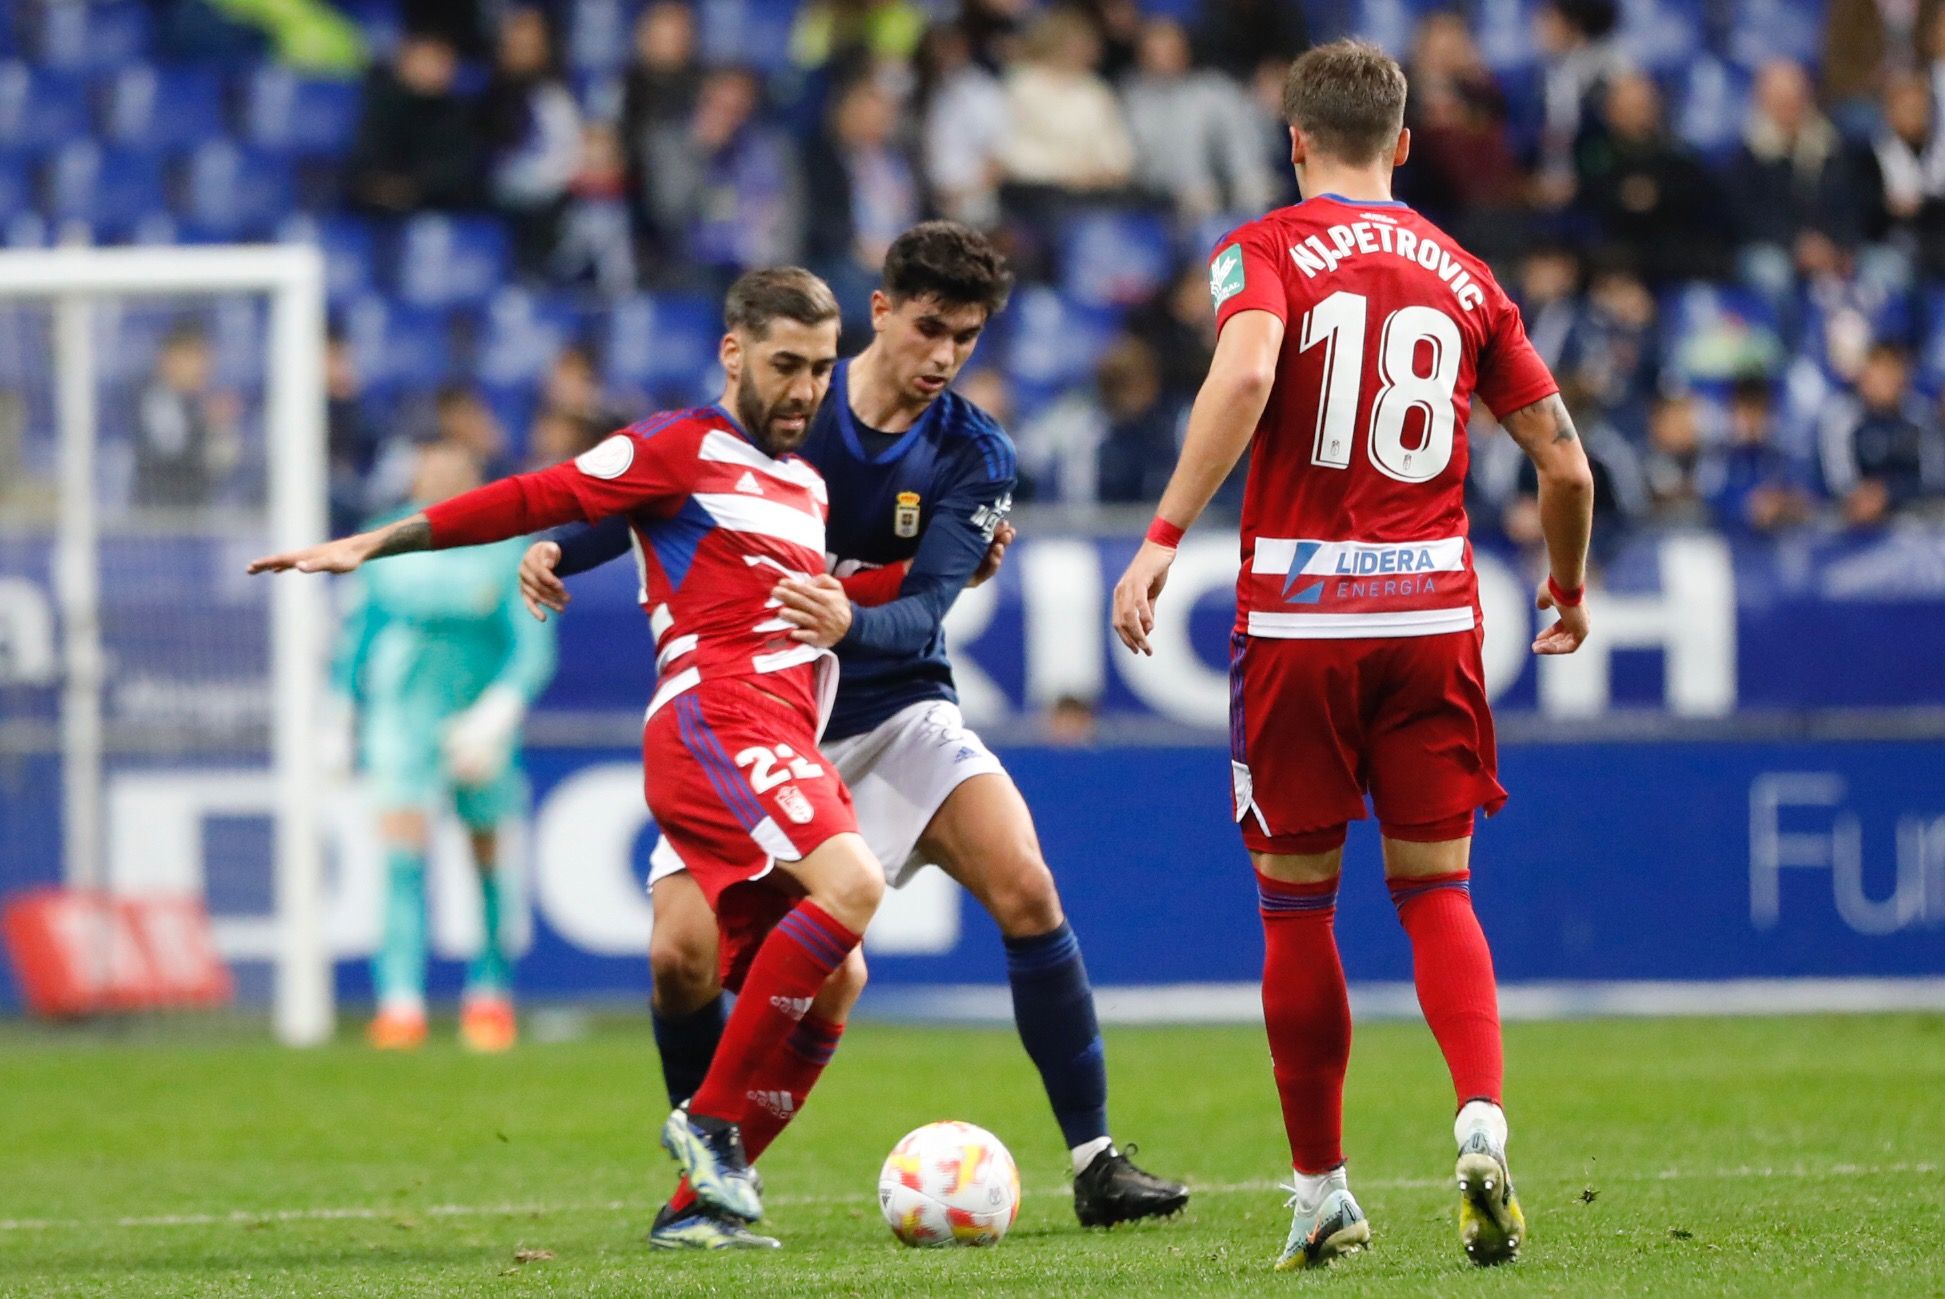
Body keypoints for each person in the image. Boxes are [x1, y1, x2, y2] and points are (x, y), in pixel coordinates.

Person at [522, 223, 1190, 1247]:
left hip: (894, 708)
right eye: (928, 328)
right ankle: (711, 1178)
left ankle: (1096, 1163)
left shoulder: (974, 452)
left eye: (965, 338)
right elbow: (673, 483)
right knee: (679, 959)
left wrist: (851, 621)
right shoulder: (794, 399)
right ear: (879, 310)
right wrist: (566, 547)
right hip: (760, 719)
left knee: (1026, 884)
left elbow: (926, 611)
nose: (942, 357)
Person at [250, 268, 884, 1245]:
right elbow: (541, 494)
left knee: (734, 967)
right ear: (733, 353)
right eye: (784, 365)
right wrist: (375, 543)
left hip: (772, 730)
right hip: (721, 719)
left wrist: (932, 570)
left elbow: (699, 554)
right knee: (854, 886)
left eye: (820, 369)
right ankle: (711, 1126)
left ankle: (702, 1204)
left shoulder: (805, 486)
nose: (804, 389)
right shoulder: (680, 442)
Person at [1110, 41, 1595, 1270]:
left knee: (1295, 908)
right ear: (1405, 143)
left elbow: (1252, 364)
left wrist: (1164, 535)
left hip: (1302, 626)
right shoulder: (1467, 272)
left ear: (1293, 143)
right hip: (1433, 617)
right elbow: (1565, 463)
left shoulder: (1263, 248)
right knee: (1437, 891)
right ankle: (1479, 1118)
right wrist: (1568, 586)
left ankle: (1322, 1187)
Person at [329, 441, 557, 1051]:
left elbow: (531, 641)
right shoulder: (383, 539)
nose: (439, 479)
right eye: (430, 469)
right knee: (401, 853)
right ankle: (399, 1001)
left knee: (486, 855)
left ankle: (489, 994)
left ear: (475, 476)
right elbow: (359, 633)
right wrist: (339, 714)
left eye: (454, 470)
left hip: (476, 722)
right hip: (401, 718)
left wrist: (498, 713)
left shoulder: (508, 544)